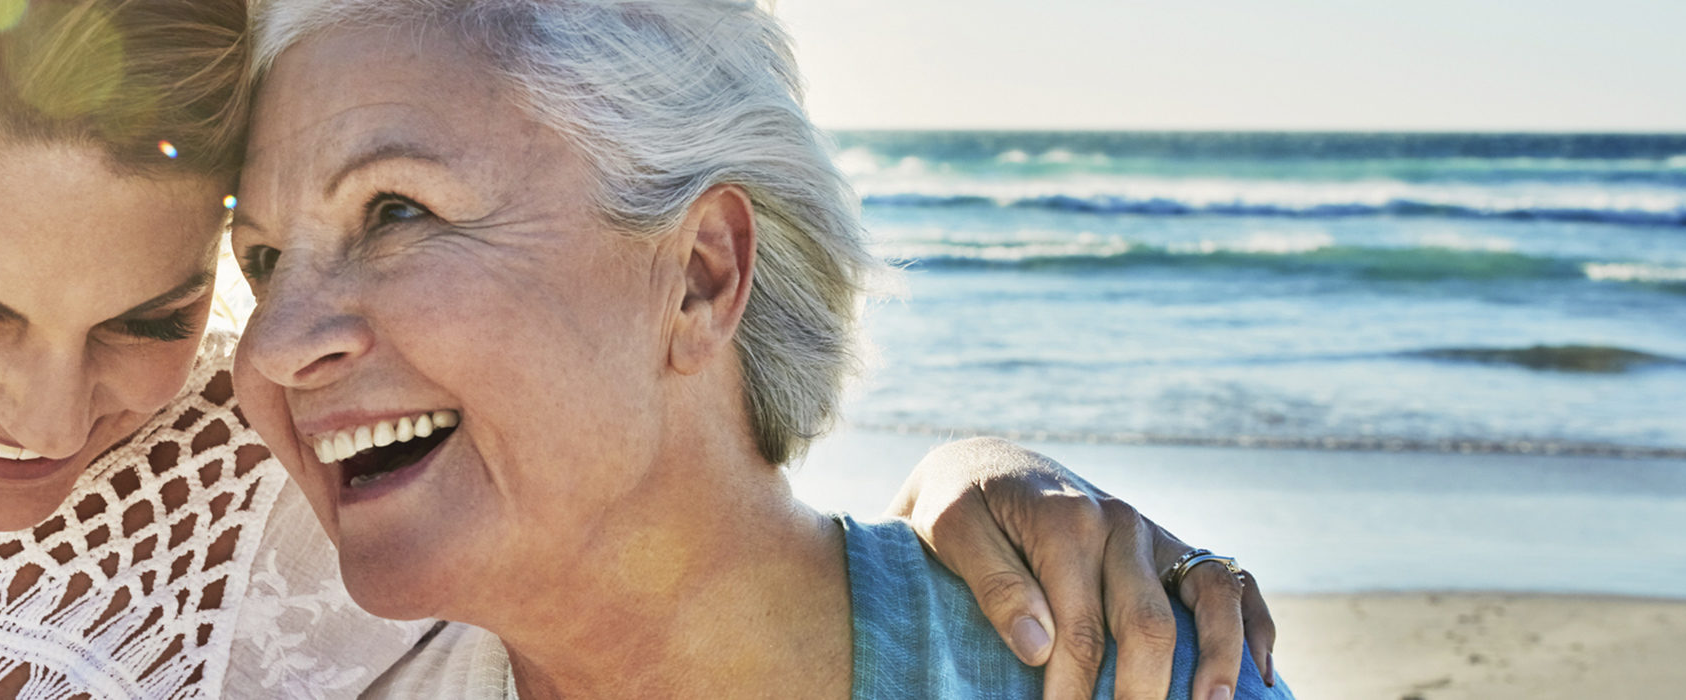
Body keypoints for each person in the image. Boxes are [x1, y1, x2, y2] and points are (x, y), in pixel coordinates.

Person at [0, 0, 1268, 697]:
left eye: (168, 312)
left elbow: (695, 527)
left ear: (703, 272)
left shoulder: (314, 547)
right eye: (266, 264)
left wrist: (988, 490)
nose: (48, 408)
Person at [228, 0, 1288, 697]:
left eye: (398, 211)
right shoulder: (289, 669)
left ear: (700, 277)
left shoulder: (1129, 670)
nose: (274, 343)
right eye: (263, 258)